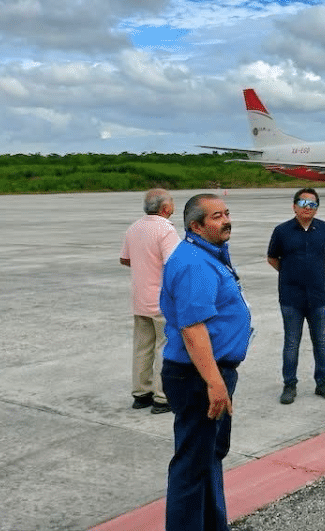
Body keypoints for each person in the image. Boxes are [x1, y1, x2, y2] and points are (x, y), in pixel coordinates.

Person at [159, 193, 253, 531]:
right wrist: (215, 383)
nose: (227, 220)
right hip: (197, 376)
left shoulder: (208, 254)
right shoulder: (194, 264)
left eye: (226, 213)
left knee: (209, 458)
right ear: (196, 226)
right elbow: (193, 329)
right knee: (192, 466)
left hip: (210, 372)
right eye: (217, 216)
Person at [267, 188, 325, 405]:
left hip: (318, 297)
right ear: (294, 206)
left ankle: (323, 382)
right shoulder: (282, 231)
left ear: (317, 208)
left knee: (321, 342)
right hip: (291, 298)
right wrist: (291, 273)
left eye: (313, 204)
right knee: (291, 343)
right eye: (303, 203)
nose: (308, 208)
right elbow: (272, 258)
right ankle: (289, 384)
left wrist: (313, 270)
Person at [119, 188, 180, 414]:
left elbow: (125, 259)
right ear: (165, 208)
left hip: (140, 299)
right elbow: (174, 263)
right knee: (165, 347)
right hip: (161, 300)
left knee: (142, 347)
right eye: (172, 201)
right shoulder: (166, 229)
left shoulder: (134, 227)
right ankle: (162, 397)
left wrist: (144, 264)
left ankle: (141, 393)